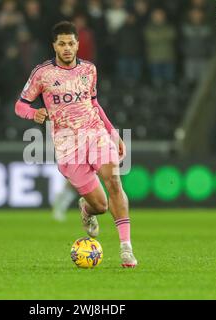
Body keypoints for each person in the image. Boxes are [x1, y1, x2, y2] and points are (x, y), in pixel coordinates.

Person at [15, 21, 137, 268]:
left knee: (113, 179)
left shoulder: (89, 70)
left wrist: (113, 132)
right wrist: (34, 114)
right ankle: (87, 209)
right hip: (67, 144)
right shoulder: (42, 74)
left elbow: (93, 103)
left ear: (78, 44)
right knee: (100, 206)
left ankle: (126, 248)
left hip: (96, 134)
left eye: (71, 43)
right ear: (54, 46)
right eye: (62, 44)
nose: (67, 48)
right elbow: (20, 105)